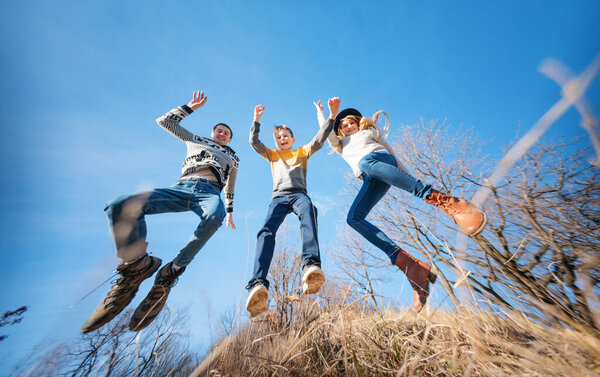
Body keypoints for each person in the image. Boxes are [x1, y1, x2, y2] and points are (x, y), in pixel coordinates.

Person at [82, 91, 239, 333]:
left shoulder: (232, 158)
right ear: (212, 132)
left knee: (214, 216)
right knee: (119, 205)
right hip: (181, 187)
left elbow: (230, 186)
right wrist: (189, 107)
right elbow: (164, 122)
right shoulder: (195, 139)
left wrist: (229, 211)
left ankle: (171, 271)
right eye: (219, 130)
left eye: (227, 133)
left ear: (229, 139)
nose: (222, 133)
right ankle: (135, 264)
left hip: (209, 193)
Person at [315, 102, 487, 311]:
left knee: (365, 163)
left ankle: (452, 204)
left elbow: (393, 155)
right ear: (340, 130)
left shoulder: (369, 133)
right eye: (343, 126)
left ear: (358, 123)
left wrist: (412, 182)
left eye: (351, 123)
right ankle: (410, 265)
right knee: (353, 218)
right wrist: (324, 113)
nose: (348, 127)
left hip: (381, 161)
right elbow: (326, 134)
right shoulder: (340, 145)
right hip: (371, 176)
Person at [245, 98, 340, 318]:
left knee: (309, 211)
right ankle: (258, 283)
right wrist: (256, 121)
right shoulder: (272, 154)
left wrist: (331, 117)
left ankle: (310, 265)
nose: (282, 139)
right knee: (266, 231)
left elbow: (319, 140)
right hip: (278, 198)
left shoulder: (302, 151)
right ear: (276, 142)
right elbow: (253, 142)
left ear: (293, 139)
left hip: (299, 195)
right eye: (278, 138)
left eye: (285, 136)